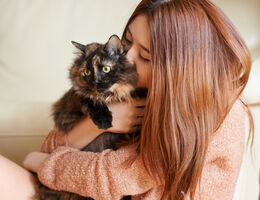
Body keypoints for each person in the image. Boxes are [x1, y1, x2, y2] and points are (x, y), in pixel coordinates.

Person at [0, 0, 254, 199]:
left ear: (179, 70)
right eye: (127, 42)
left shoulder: (215, 111)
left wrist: (45, 164)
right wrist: (102, 122)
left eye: (144, 56)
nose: (125, 58)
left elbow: (116, 176)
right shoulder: (128, 87)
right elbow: (53, 146)